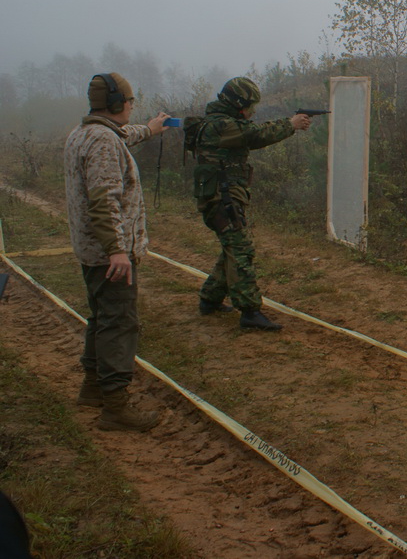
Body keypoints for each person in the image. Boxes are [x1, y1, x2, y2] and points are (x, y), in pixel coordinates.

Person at [64, 72, 170, 432]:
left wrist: (151, 129)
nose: (131, 106)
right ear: (116, 103)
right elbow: (103, 199)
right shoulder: (103, 141)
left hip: (92, 251)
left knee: (102, 318)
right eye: (129, 101)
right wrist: (118, 251)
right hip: (109, 254)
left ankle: (93, 388)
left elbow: (124, 135)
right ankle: (115, 407)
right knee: (120, 323)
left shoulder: (85, 133)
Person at [190, 77, 312, 331]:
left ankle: (210, 298)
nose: (251, 111)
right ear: (237, 104)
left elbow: (251, 133)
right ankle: (249, 311)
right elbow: (256, 135)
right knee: (241, 249)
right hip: (221, 199)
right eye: (249, 106)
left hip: (221, 197)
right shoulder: (222, 125)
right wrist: (291, 124)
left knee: (232, 247)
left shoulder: (217, 121)